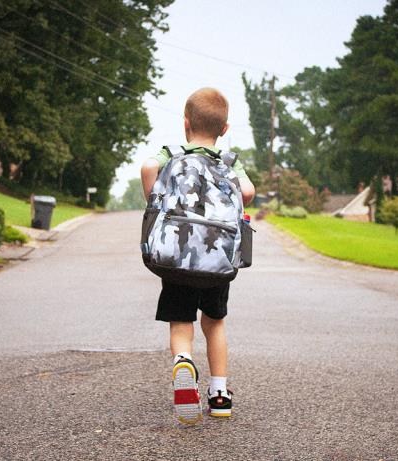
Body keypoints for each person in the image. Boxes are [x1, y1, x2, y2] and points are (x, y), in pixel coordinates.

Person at [140, 88, 255, 423]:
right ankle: (219, 394)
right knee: (215, 323)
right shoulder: (230, 161)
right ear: (225, 129)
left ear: (186, 123)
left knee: (181, 321)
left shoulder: (170, 154)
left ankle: (183, 362)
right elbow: (247, 191)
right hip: (217, 258)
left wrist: (154, 197)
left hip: (176, 256)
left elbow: (149, 166)